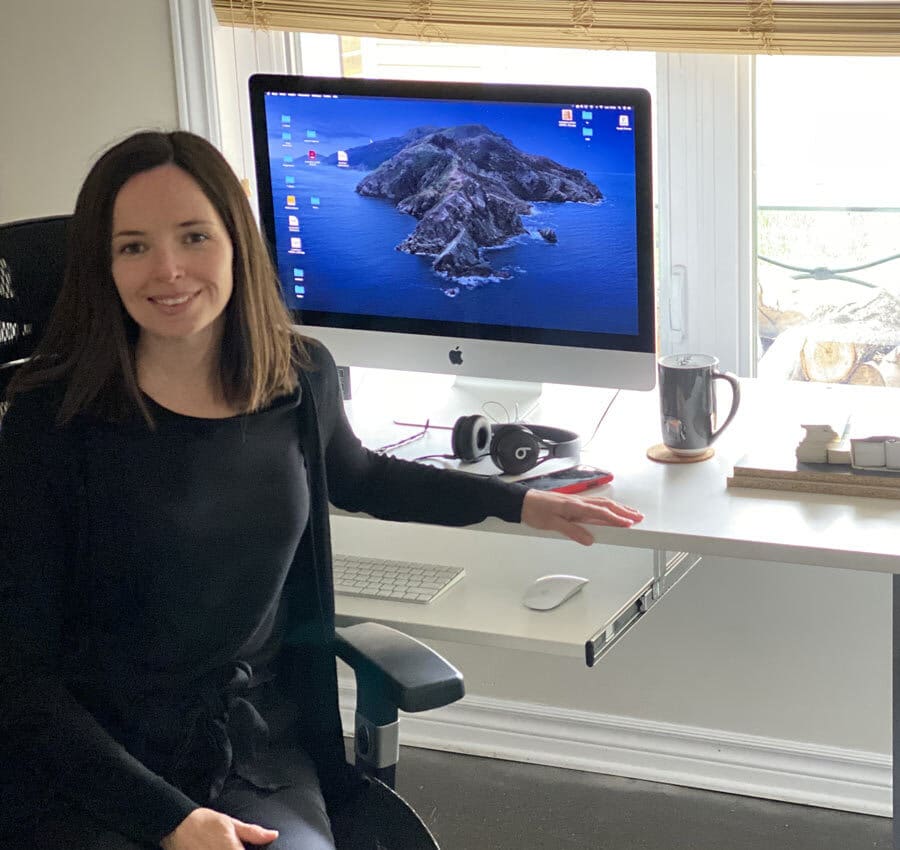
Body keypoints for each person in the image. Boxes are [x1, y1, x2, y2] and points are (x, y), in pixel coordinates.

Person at [0, 130, 643, 849]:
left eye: (193, 236)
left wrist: (519, 501)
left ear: (236, 241)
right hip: (91, 760)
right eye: (133, 246)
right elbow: (18, 677)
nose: (170, 269)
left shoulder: (297, 375)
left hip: (249, 744)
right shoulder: (51, 417)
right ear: (103, 264)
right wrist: (170, 822)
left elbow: (362, 475)